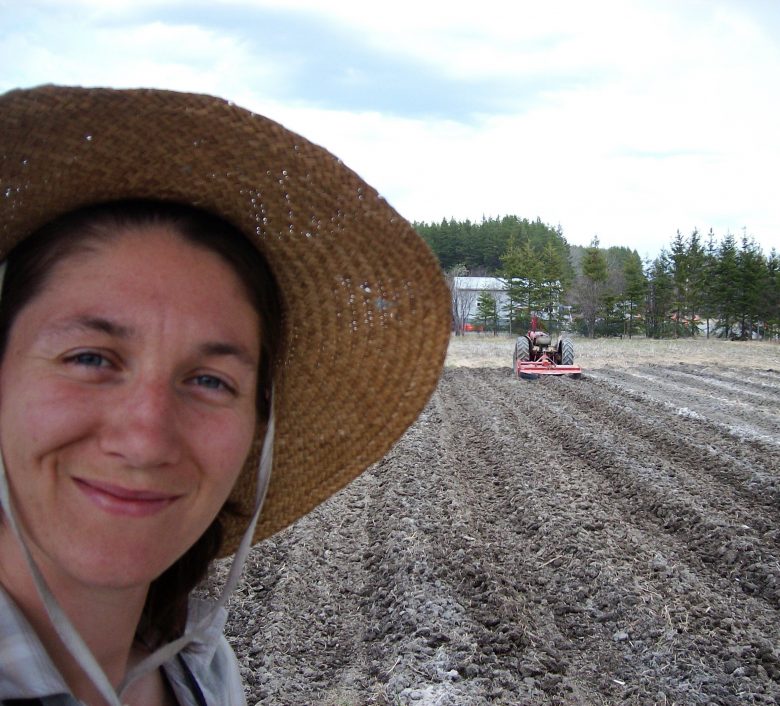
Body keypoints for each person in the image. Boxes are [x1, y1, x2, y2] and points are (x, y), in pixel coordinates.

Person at [0, 85, 450, 705]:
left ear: (255, 429)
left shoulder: (205, 673)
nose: (146, 438)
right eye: (90, 359)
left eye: (211, 381)